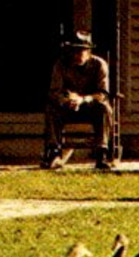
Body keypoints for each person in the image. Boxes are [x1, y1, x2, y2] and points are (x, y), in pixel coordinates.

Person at [43, 30, 115, 171]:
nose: (76, 55)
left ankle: (102, 153)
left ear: (88, 52)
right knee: (51, 108)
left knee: (104, 108)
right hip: (67, 106)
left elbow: (103, 93)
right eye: (74, 51)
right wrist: (66, 99)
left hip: (91, 106)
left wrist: (83, 99)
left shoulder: (99, 65)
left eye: (80, 51)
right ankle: (54, 151)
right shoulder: (61, 65)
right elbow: (54, 91)